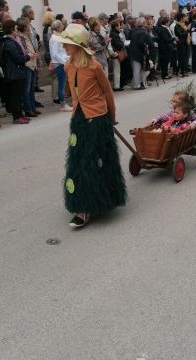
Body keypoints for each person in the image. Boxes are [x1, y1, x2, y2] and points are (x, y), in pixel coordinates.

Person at [53, 23, 127, 228]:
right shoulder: (68, 66)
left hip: (98, 119)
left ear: (78, 46)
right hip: (78, 119)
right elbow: (71, 93)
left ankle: (94, 203)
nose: (64, 47)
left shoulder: (95, 67)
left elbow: (107, 93)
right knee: (78, 163)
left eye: (67, 44)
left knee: (93, 161)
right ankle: (83, 204)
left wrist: (111, 118)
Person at [0, 20, 31, 124]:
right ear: (12, 30)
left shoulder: (12, 41)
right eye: (16, 29)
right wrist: (28, 56)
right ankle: (17, 117)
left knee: (18, 95)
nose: (17, 31)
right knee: (15, 96)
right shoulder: (9, 43)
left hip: (17, 72)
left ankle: (20, 115)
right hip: (14, 73)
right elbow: (18, 58)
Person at [16, 17, 40, 118]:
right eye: (28, 24)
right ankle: (28, 109)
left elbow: (33, 46)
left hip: (33, 63)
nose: (29, 26)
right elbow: (23, 50)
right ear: (25, 26)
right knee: (26, 89)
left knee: (31, 88)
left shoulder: (29, 35)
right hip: (27, 64)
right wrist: (30, 54)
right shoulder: (19, 37)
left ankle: (32, 108)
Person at [49, 20, 72, 111]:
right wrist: (64, 61)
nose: (63, 26)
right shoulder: (55, 38)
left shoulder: (57, 36)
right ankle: (63, 105)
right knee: (61, 85)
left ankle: (63, 103)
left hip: (61, 62)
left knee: (62, 84)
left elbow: (61, 51)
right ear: (58, 28)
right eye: (62, 26)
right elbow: (54, 54)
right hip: (59, 64)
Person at [109, 19, 126, 90]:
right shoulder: (115, 34)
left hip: (115, 53)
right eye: (119, 26)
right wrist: (122, 43)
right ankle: (116, 86)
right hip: (116, 53)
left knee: (116, 70)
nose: (120, 27)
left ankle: (116, 85)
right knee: (117, 70)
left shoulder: (113, 33)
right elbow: (119, 44)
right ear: (115, 27)